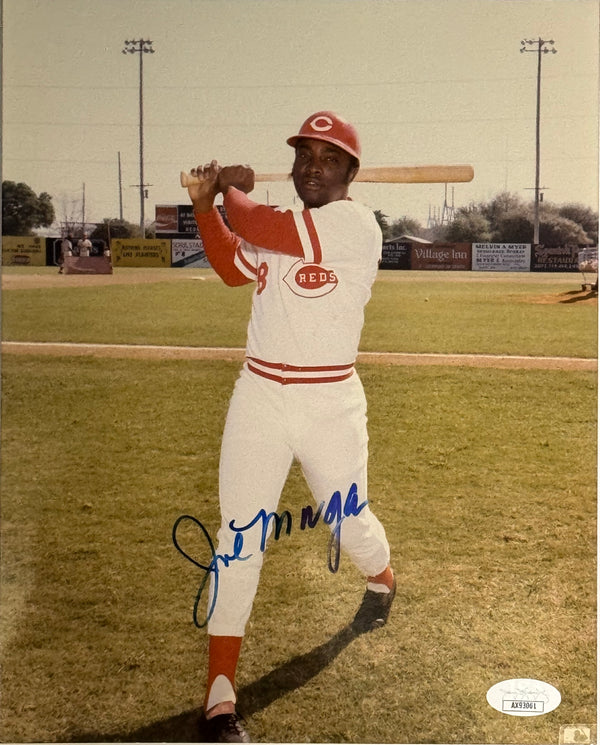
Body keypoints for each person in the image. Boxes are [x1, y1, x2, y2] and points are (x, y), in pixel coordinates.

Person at [186, 111, 395, 743]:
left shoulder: (355, 225)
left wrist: (230, 189)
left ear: (350, 175)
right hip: (259, 396)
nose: (312, 166)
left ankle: (380, 574)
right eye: (304, 155)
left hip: (330, 400)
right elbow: (233, 266)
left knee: (346, 517)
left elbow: (253, 221)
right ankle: (220, 694)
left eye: (328, 158)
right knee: (239, 534)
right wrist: (205, 207)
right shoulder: (283, 230)